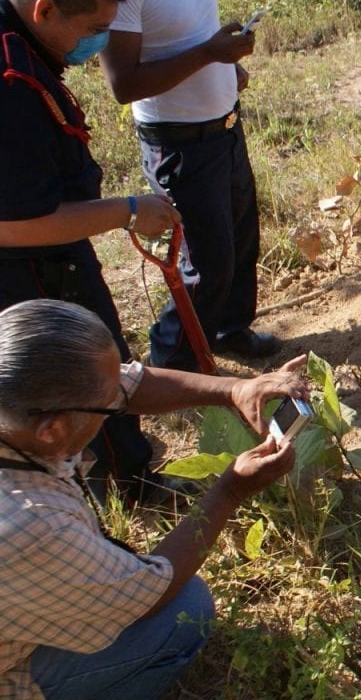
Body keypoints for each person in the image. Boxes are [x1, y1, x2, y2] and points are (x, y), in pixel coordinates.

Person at [0, 299, 306, 700]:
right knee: (184, 612)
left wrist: (236, 389)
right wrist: (230, 490)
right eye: (107, 406)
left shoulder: (19, 401)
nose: (117, 403)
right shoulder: (32, 522)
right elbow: (148, 596)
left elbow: (127, 384)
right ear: (52, 430)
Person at [0, 0, 183, 504]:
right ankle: (113, 492)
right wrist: (126, 211)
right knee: (80, 379)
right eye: (92, 31)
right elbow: (14, 223)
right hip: (30, 275)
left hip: (49, 262)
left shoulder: (22, 42)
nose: (99, 44)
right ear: (44, 8)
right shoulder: (10, 85)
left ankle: (123, 473)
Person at [100, 0, 281, 371]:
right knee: (207, 260)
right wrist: (209, 54)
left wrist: (228, 65)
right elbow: (124, 82)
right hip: (179, 143)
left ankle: (227, 330)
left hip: (223, 127)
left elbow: (189, 35)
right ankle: (172, 365)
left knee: (240, 241)